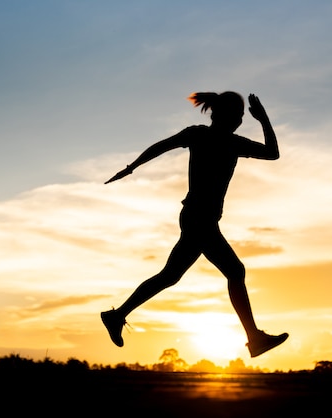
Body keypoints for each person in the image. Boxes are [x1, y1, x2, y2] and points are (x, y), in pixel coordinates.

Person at [101, 91, 288, 358]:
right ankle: (254, 338)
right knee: (235, 271)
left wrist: (132, 167)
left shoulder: (223, 140)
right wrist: (130, 167)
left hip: (198, 218)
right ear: (224, 116)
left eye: (244, 116)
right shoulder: (207, 136)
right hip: (199, 218)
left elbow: (272, 154)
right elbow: (161, 146)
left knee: (170, 276)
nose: (241, 120)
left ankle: (117, 315)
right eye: (240, 115)